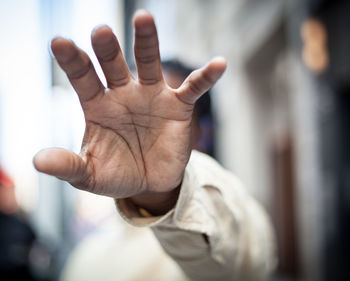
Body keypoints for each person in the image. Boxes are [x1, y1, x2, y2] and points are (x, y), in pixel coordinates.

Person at [33, 10, 277, 281]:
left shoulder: (225, 214)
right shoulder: (91, 254)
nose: (140, 134)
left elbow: (239, 255)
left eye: (160, 119)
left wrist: (162, 196)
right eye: (129, 113)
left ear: (202, 133)